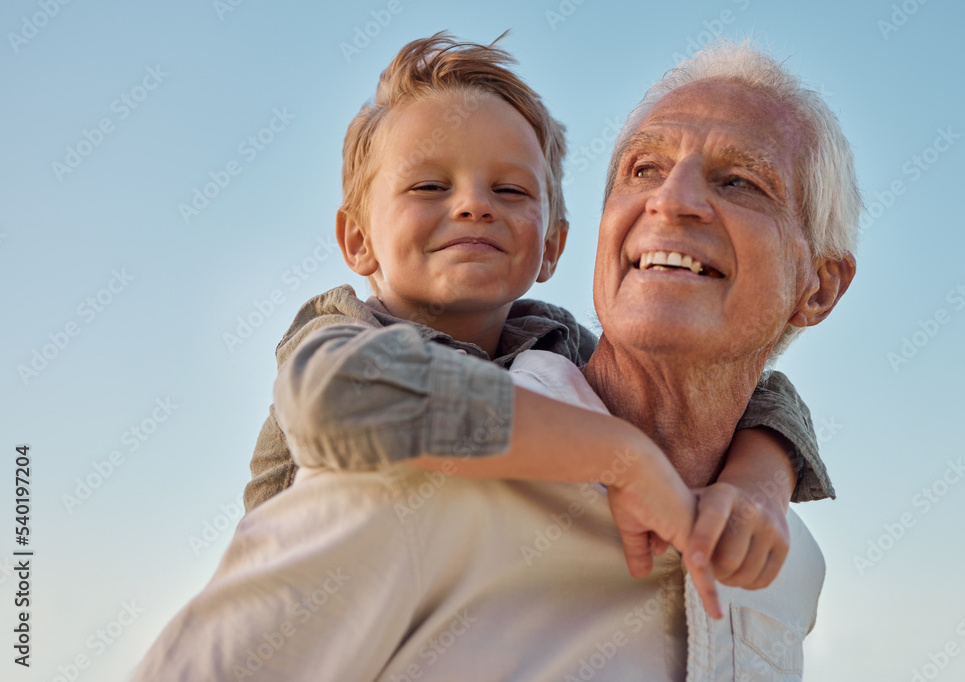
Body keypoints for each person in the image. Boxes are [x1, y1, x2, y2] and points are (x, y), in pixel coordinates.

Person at [130, 39, 859, 681]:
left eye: (739, 181)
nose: (672, 201)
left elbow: (766, 395)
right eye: (642, 169)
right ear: (357, 241)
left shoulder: (788, 566)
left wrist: (763, 481)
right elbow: (336, 401)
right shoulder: (410, 449)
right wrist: (622, 456)